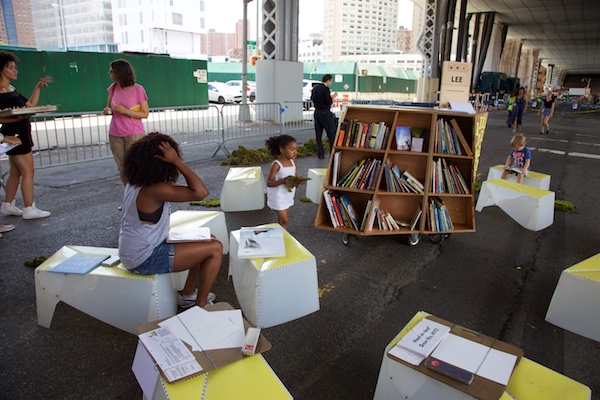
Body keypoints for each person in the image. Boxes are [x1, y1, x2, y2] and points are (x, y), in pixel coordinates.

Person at [118, 132, 222, 308]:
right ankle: (200, 306)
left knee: (205, 239)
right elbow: (201, 192)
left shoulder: (135, 182)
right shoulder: (154, 189)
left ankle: (187, 295)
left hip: (137, 248)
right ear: (162, 163)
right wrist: (177, 162)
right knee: (215, 249)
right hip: (143, 257)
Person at [0, 51, 53, 220]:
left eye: (15, 67)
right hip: (15, 134)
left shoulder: (11, 89)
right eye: (10, 67)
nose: (14, 71)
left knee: (16, 172)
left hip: (21, 131)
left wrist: (37, 87)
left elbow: (29, 105)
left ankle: (8, 204)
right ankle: (29, 207)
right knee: (28, 171)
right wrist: (17, 118)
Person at [103, 59, 149, 186]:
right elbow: (109, 108)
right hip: (115, 133)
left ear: (120, 72)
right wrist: (107, 111)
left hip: (133, 134)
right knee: (122, 167)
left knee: (135, 166)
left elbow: (145, 113)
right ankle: (128, 196)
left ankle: (140, 195)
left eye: (111, 71)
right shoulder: (113, 88)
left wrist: (126, 111)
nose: (109, 73)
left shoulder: (138, 89)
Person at [265, 134, 304, 230]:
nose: (295, 152)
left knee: (282, 219)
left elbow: (295, 177)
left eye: (296, 149)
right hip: (278, 196)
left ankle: (279, 234)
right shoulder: (276, 165)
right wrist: (282, 181)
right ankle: (284, 237)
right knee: (285, 220)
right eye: (292, 149)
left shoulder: (293, 162)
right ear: (282, 150)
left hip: (288, 195)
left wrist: (299, 181)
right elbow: (269, 183)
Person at [311, 74, 338, 159]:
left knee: (318, 135)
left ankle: (320, 153)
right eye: (331, 81)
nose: (331, 83)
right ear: (328, 80)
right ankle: (332, 153)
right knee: (331, 134)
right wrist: (332, 97)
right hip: (325, 113)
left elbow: (312, 98)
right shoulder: (325, 89)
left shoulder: (315, 88)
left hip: (317, 112)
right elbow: (328, 102)